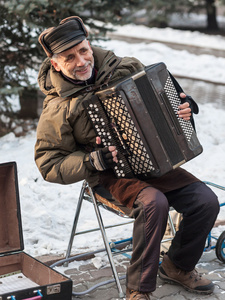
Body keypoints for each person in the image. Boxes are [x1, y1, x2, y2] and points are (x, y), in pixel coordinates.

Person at [35, 16, 219, 300]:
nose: (81, 61)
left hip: (154, 164)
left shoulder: (126, 67)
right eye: (69, 57)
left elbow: (164, 100)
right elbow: (49, 163)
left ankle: (177, 266)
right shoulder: (58, 107)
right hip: (109, 176)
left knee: (205, 201)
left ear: (89, 44)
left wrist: (183, 108)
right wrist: (92, 161)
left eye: (83, 50)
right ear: (56, 64)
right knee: (153, 203)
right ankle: (138, 290)